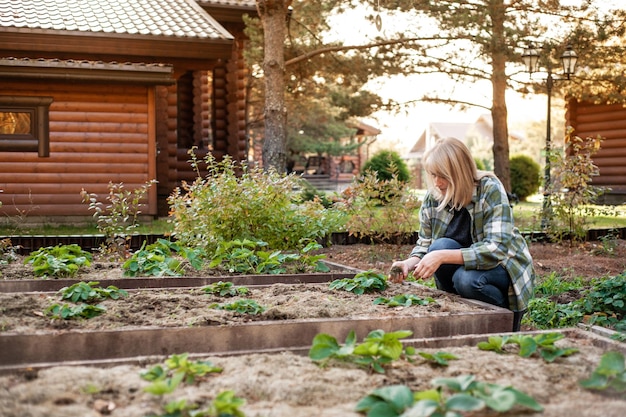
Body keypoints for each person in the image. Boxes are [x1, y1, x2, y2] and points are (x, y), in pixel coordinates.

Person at [389, 137, 535, 332]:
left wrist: (441, 256)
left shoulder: (489, 188)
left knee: (465, 279)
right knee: (439, 246)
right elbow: (425, 244)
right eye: (433, 174)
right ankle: (459, 316)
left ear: (459, 172)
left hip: (503, 265)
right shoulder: (434, 197)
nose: (437, 182)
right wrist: (408, 264)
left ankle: (503, 322)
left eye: (442, 175)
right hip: (466, 268)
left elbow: (496, 249)